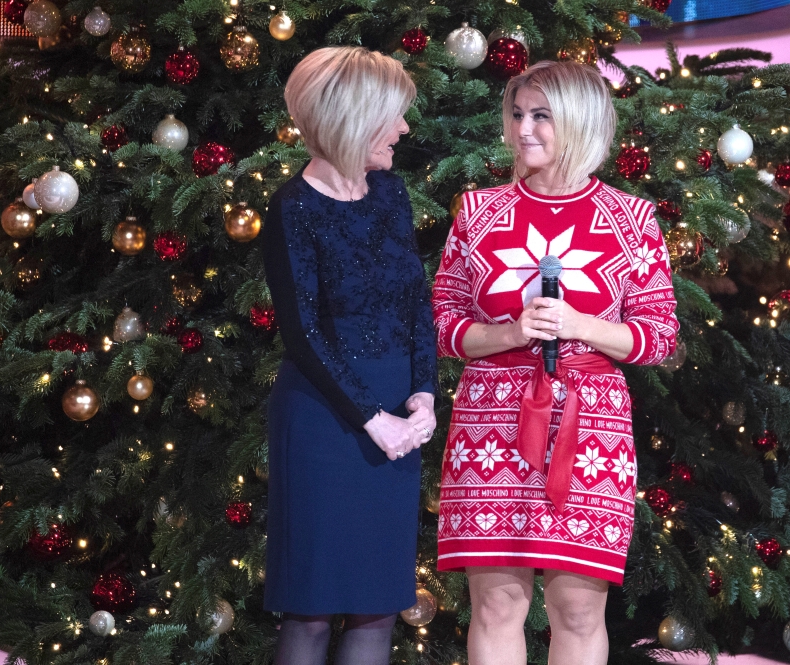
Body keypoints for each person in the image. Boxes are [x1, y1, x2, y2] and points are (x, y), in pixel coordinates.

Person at [432, 60, 679, 665]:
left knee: (578, 611)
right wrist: (509, 332)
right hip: (489, 425)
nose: (523, 130)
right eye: (517, 114)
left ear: (581, 121)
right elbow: (440, 324)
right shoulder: (476, 212)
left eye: (541, 116)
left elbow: (659, 337)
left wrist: (580, 326)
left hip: (591, 429)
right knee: (495, 608)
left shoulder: (633, 219)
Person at [261, 46, 437, 665]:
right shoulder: (293, 208)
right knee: (310, 610)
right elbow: (303, 333)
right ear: (354, 117)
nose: (404, 129)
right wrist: (372, 417)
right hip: (324, 419)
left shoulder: (390, 193)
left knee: (377, 607)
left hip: (398, 418)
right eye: (394, 115)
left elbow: (417, 302)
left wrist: (423, 394)